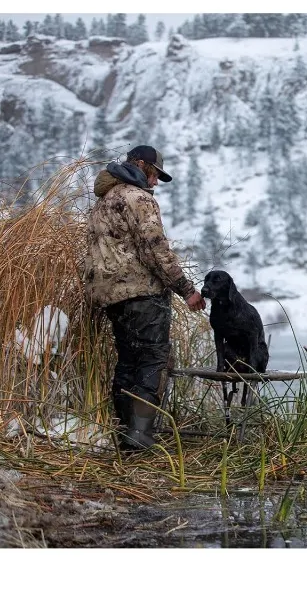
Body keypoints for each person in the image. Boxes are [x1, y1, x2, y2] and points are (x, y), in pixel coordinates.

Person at [84, 144, 205, 450]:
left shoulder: (102, 202)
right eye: (154, 174)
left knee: (127, 362)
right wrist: (187, 291)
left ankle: (125, 435)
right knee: (152, 361)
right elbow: (156, 251)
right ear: (141, 165)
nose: (154, 183)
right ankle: (139, 439)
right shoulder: (138, 199)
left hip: (111, 298)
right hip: (143, 295)